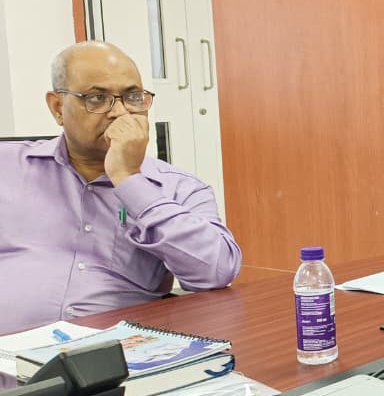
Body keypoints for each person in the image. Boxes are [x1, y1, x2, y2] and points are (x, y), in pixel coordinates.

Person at [0, 41, 242, 334]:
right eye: (97, 98)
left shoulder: (180, 188)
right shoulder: (7, 168)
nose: (119, 112)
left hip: (115, 354)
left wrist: (129, 179)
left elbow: (216, 272)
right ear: (57, 107)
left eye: (133, 97)